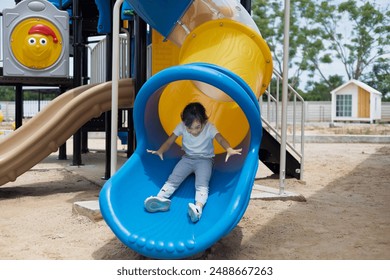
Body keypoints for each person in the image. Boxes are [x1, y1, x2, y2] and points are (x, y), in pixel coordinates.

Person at [144, 102, 242, 223]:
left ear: (203, 121)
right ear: (184, 123)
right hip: (188, 158)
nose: (194, 131)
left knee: (202, 184)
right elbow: (170, 141)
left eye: (197, 127)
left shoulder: (209, 127)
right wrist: (160, 150)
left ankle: (197, 209)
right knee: (173, 178)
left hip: (205, 160)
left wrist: (229, 149)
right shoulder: (181, 126)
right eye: (189, 128)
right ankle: (160, 200)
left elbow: (220, 138)